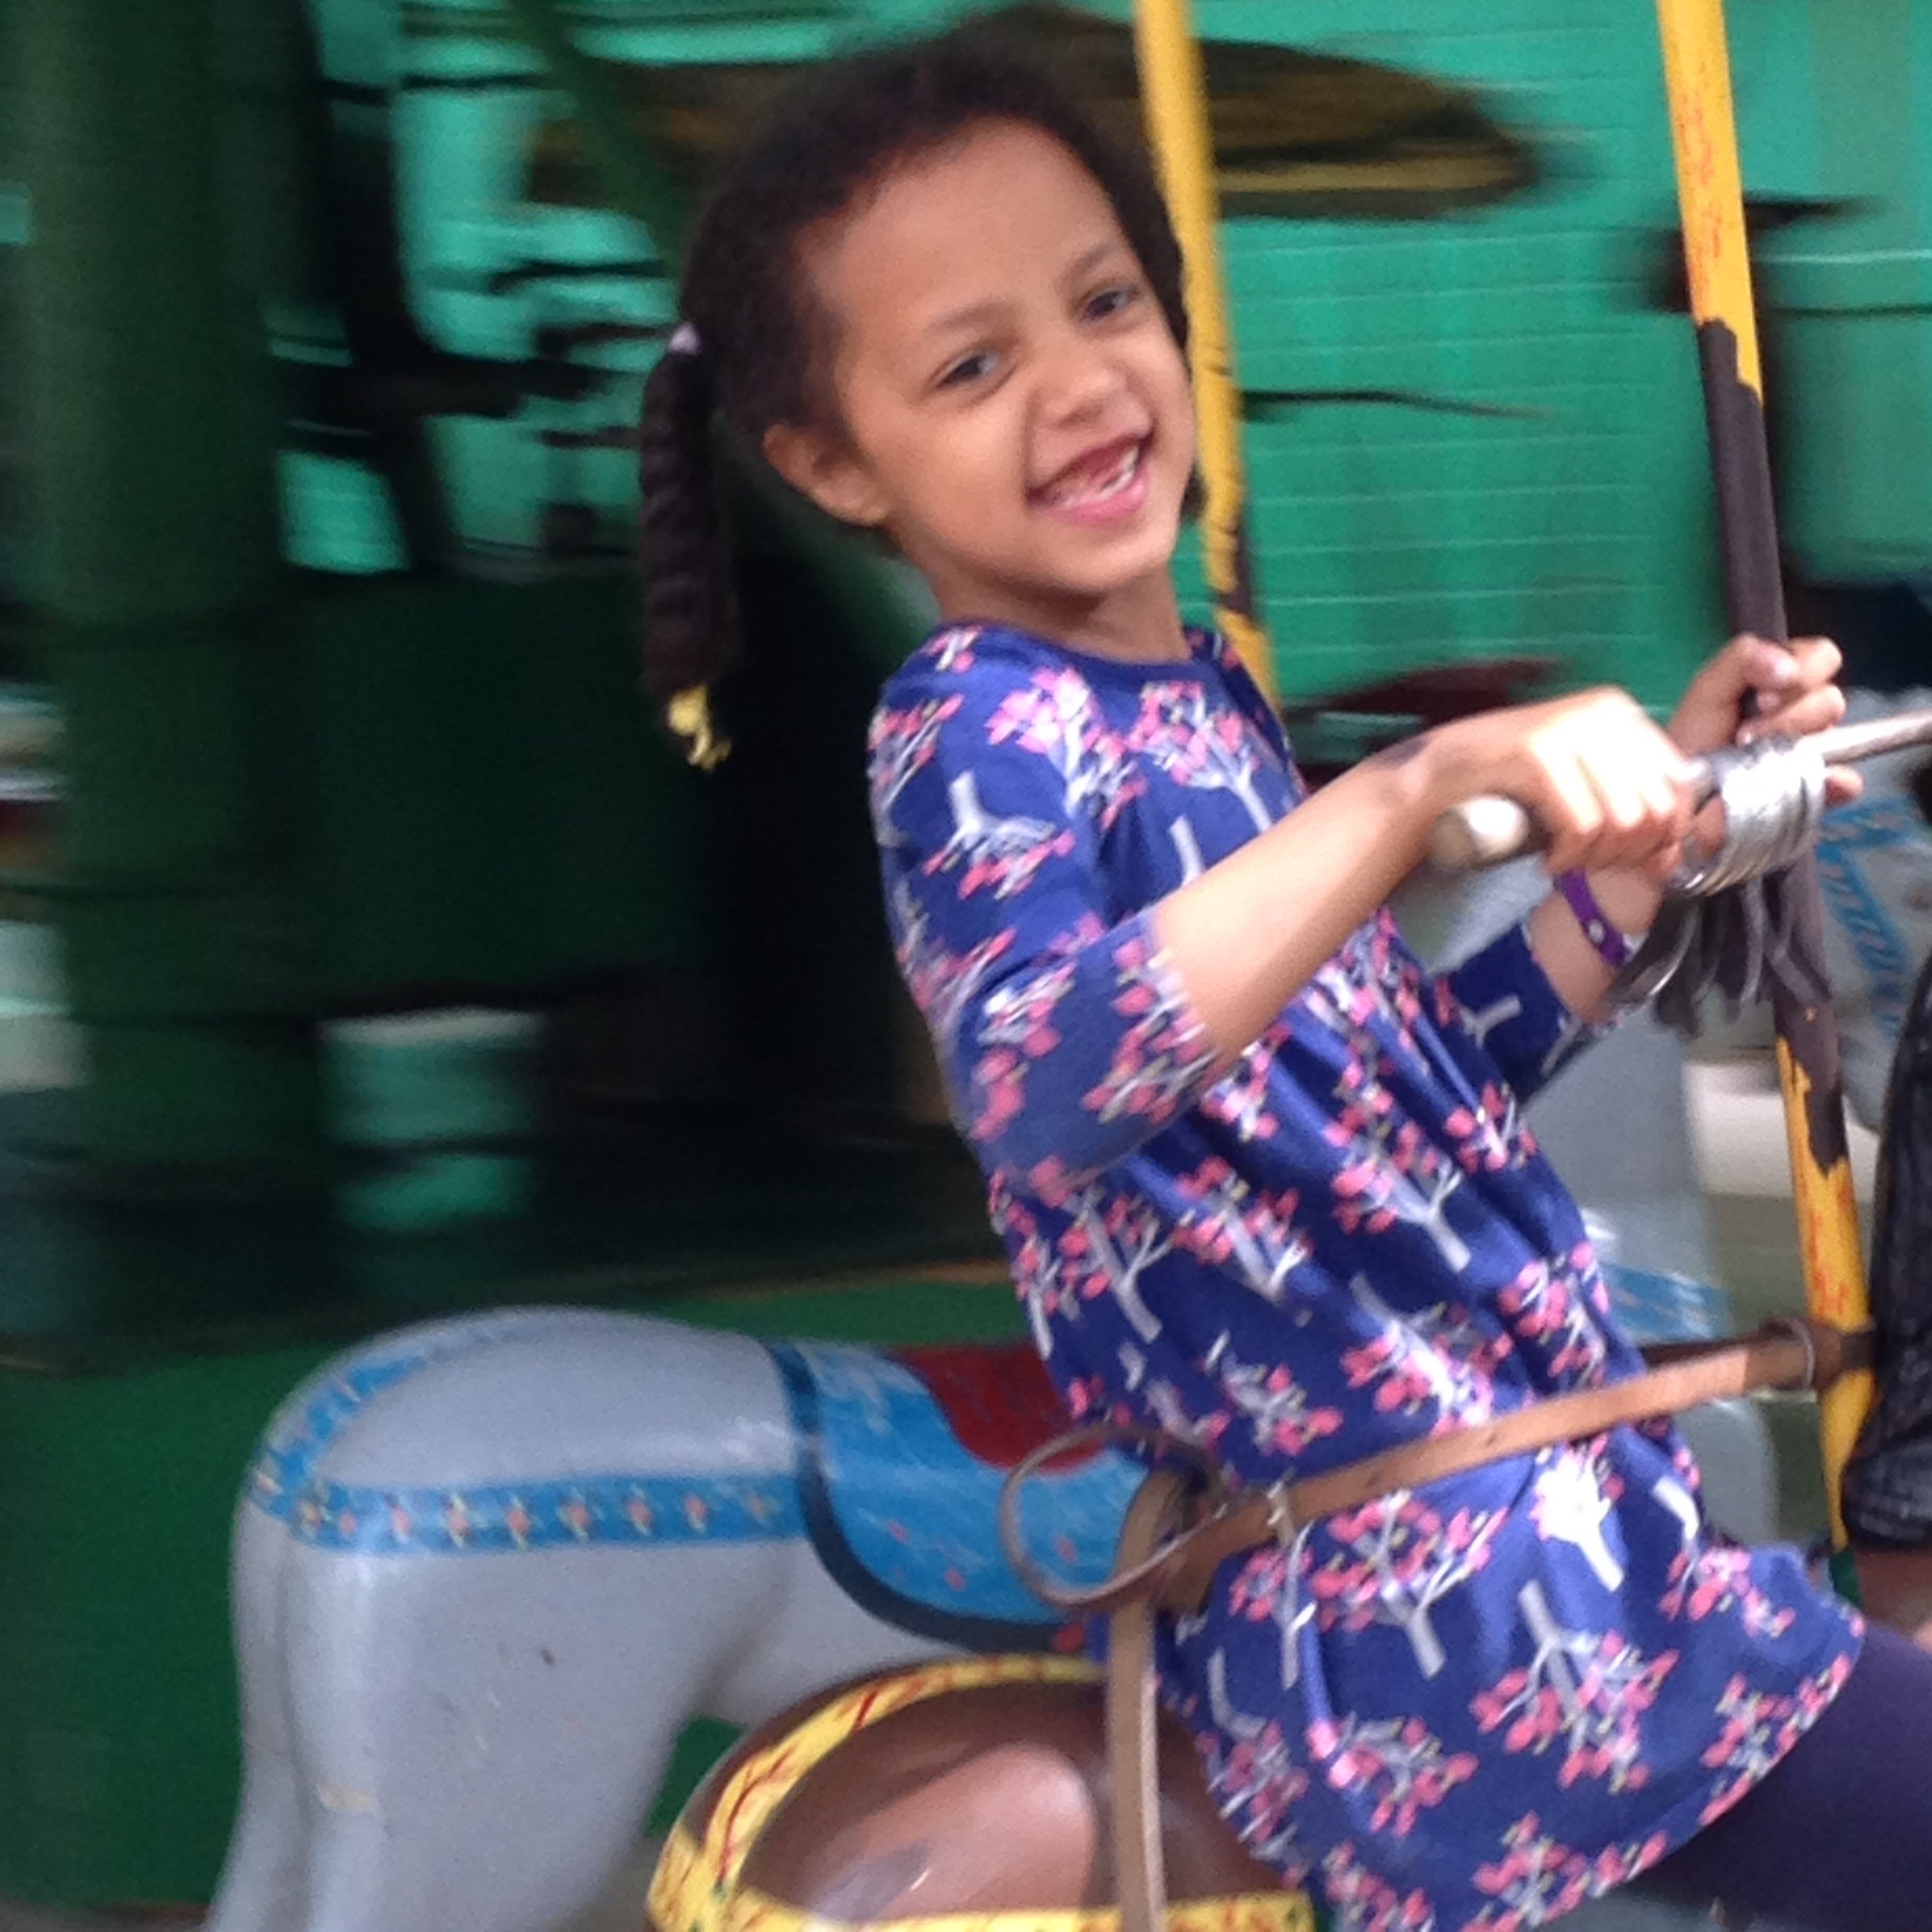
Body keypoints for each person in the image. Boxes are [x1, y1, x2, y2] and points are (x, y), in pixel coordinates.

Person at [632, 28, 1932, 1930]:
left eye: (1105, 303)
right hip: (1454, 1613)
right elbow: (1042, 1081)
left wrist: (1628, 865)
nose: (1079, 384)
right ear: (833, 462)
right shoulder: (975, 720)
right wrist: (1410, 788)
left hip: (1547, 1541)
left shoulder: (1198, 703)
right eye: (973, 366)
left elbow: (1397, 1100)